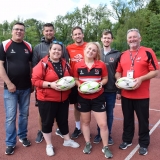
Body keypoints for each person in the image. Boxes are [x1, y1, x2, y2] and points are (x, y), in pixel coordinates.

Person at [115, 28, 159, 156]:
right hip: (126, 95)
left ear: (140, 38)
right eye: (130, 37)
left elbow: (155, 71)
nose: (132, 39)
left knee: (143, 120)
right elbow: (118, 72)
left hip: (142, 95)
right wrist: (120, 80)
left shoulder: (148, 52)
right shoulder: (122, 55)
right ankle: (127, 140)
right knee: (127, 119)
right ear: (127, 40)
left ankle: (144, 143)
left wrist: (140, 79)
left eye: (135, 37)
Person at [32, 41, 80, 156]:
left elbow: (72, 78)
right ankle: (49, 144)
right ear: (49, 50)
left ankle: (67, 140)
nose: (57, 51)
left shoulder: (65, 64)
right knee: (47, 122)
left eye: (59, 50)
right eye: (54, 49)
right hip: (46, 99)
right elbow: (35, 81)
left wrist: (70, 84)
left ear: (62, 52)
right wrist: (51, 85)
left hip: (63, 99)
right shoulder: (42, 64)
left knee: (63, 121)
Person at [74, 42, 113, 158]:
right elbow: (76, 79)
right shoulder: (77, 65)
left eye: (94, 50)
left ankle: (105, 147)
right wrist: (79, 86)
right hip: (83, 98)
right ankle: (87, 143)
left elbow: (105, 78)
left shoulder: (101, 64)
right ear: (85, 49)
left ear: (97, 53)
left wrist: (101, 83)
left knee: (103, 124)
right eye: (89, 49)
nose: (91, 51)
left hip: (98, 97)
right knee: (85, 122)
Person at [32, 23, 69, 143]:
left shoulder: (62, 47)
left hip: (61, 95)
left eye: (51, 31)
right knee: (43, 114)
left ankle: (60, 131)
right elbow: (34, 68)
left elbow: (66, 64)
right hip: (45, 91)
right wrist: (48, 84)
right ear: (43, 32)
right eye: (46, 31)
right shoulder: (38, 48)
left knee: (61, 116)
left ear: (54, 32)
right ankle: (41, 131)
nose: (49, 33)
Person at [0, 22, 32, 155]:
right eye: (16, 29)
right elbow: (0, 66)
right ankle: (10, 143)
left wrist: (32, 83)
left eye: (21, 30)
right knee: (11, 117)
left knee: (24, 115)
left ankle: (23, 137)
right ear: (12, 31)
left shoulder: (28, 46)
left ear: (24, 32)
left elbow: (30, 65)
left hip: (26, 88)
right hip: (11, 89)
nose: (19, 32)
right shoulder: (4, 44)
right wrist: (9, 83)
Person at [93, 30, 121, 145]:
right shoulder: (96, 53)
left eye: (109, 38)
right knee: (99, 112)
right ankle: (99, 133)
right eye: (104, 37)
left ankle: (107, 134)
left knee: (109, 113)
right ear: (101, 39)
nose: (106, 40)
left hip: (111, 90)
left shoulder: (117, 54)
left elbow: (120, 72)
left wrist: (119, 90)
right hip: (97, 90)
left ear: (112, 40)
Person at [66, 26, 87, 138]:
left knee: (90, 105)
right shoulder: (68, 48)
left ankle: (86, 127)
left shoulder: (89, 46)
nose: (78, 36)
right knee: (76, 106)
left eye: (79, 33)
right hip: (75, 81)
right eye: (75, 34)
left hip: (88, 81)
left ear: (83, 34)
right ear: (72, 36)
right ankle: (78, 128)